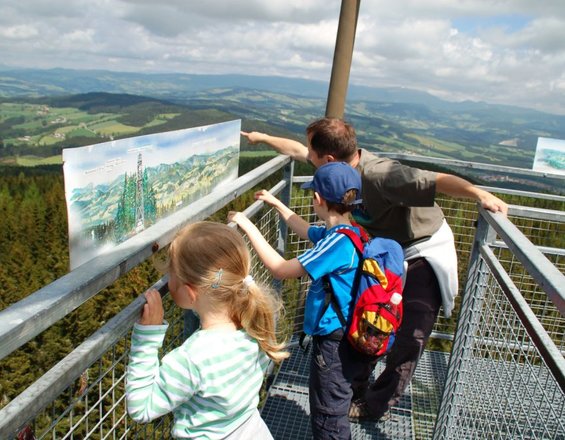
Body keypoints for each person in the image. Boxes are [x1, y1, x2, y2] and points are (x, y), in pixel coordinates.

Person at [241, 118, 508, 421]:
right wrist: (261, 137)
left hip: (422, 246)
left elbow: (436, 181)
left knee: (411, 335)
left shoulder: (380, 174)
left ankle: (373, 405)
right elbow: (297, 149)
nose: (308, 157)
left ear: (328, 159)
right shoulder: (337, 170)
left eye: (313, 155)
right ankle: (355, 387)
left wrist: (479, 194)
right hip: (380, 248)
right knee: (365, 312)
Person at [229, 162, 369, 439]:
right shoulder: (348, 233)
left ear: (318, 199)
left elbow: (281, 269)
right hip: (348, 332)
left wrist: (247, 226)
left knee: (328, 413)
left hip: (334, 342)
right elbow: (305, 229)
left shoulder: (336, 243)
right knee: (333, 403)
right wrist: (274, 203)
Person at [126, 221, 288, 439]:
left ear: (190, 294)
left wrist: (147, 337)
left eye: (170, 275)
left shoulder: (192, 358)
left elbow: (141, 407)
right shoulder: (255, 326)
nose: (167, 282)